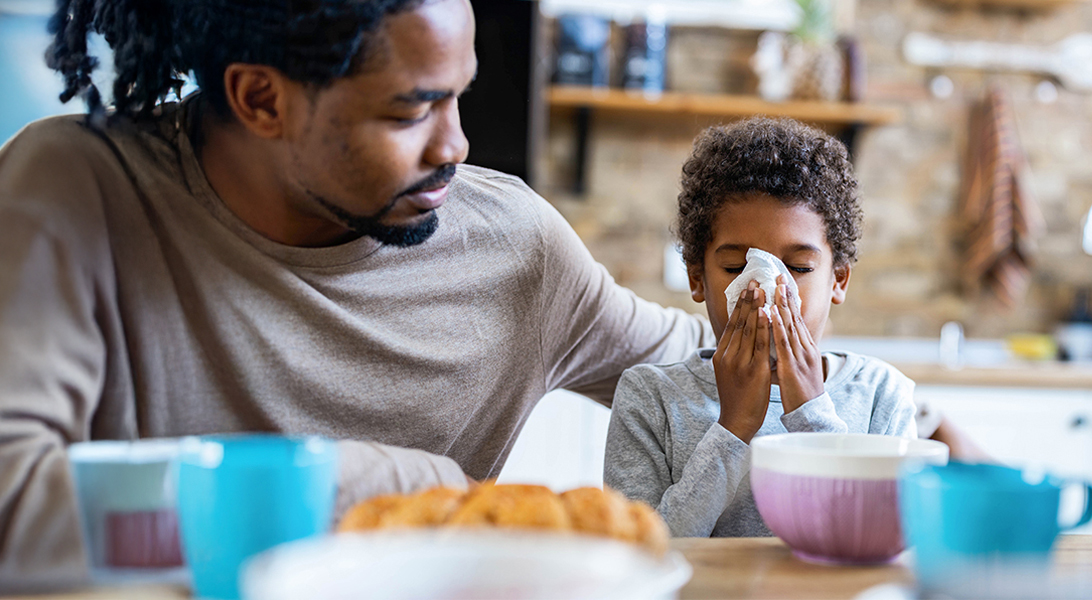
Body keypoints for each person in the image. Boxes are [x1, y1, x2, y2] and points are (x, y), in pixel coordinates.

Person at [0, 0, 713, 585]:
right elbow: (12, 502)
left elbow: (716, 373)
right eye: (410, 111)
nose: (455, 146)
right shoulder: (76, 191)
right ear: (262, 99)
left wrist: (784, 296)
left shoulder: (516, 246)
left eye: (458, 95)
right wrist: (383, 483)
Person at [604, 117, 917, 537]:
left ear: (838, 280)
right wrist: (732, 429)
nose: (768, 293)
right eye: (736, 267)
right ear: (697, 278)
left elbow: (884, 540)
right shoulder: (650, 399)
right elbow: (639, 557)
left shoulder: (882, 396)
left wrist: (812, 416)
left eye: (799, 267)